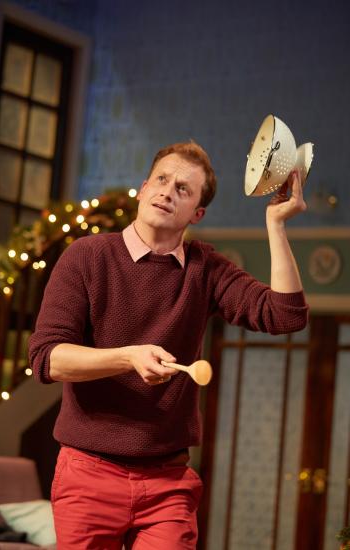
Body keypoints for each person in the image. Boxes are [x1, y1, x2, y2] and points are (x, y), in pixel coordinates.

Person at [29, 141, 308, 550]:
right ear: (143, 189)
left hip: (168, 481)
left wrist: (276, 225)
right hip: (88, 473)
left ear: (197, 214)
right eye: (161, 179)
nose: (167, 191)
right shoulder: (85, 257)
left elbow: (286, 315)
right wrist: (128, 357)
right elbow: (47, 359)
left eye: (183, 188)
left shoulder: (206, 270)